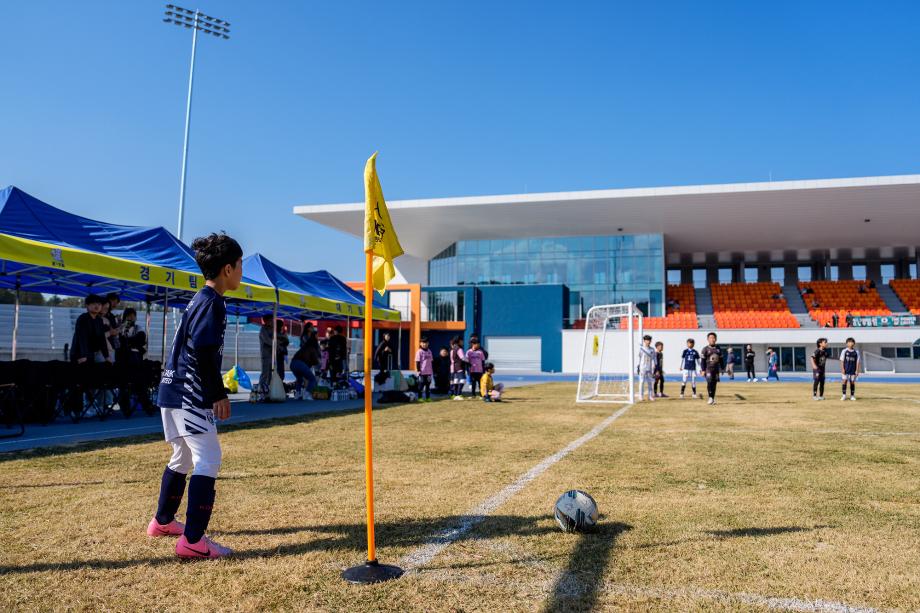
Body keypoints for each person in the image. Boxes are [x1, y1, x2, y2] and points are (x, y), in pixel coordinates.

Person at [149, 232, 242, 560]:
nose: (242, 270)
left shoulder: (199, 299)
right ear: (228, 269)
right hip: (189, 394)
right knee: (208, 458)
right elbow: (202, 351)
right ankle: (192, 540)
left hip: (171, 391)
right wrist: (218, 394)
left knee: (183, 458)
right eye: (240, 264)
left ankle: (162, 522)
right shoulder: (212, 303)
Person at [69, 294, 110, 364]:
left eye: (99, 304)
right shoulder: (82, 318)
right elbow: (82, 337)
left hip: (90, 354)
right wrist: (84, 355)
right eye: (94, 303)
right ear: (87, 305)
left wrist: (106, 356)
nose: (97, 306)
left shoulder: (99, 320)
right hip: (79, 354)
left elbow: (102, 338)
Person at [289, 330, 320, 401]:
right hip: (301, 364)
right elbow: (316, 361)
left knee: (299, 379)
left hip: (293, 363)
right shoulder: (313, 348)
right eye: (317, 336)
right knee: (312, 379)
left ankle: (297, 393)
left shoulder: (304, 347)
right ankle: (307, 393)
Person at [700, 332, 723, 405]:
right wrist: (703, 370)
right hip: (708, 369)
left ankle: (712, 398)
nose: (712, 339)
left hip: (716, 370)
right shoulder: (705, 349)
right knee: (709, 382)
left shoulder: (718, 348)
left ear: (716, 339)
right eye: (710, 338)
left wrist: (722, 368)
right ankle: (710, 397)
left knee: (714, 384)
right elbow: (702, 361)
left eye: (713, 338)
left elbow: (721, 359)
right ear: (708, 339)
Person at [637, 334, 656, 402]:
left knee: (650, 382)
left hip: (649, 368)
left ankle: (650, 396)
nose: (648, 341)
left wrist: (655, 365)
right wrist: (638, 366)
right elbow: (639, 358)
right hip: (643, 368)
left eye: (649, 340)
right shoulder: (641, 349)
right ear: (644, 341)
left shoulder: (652, 349)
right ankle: (640, 396)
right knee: (641, 382)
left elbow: (654, 358)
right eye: (647, 340)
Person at [415, 336, 434, 402]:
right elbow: (417, 362)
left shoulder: (429, 351)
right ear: (420, 343)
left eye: (426, 343)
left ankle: (428, 398)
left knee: (428, 386)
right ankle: (420, 398)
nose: (424, 344)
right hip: (422, 372)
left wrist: (432, 371)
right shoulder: (419, 352)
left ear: (428, 343)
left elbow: (431, 361)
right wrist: (418, 371)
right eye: (423, 343)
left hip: (429, 372)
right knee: (421, 385)